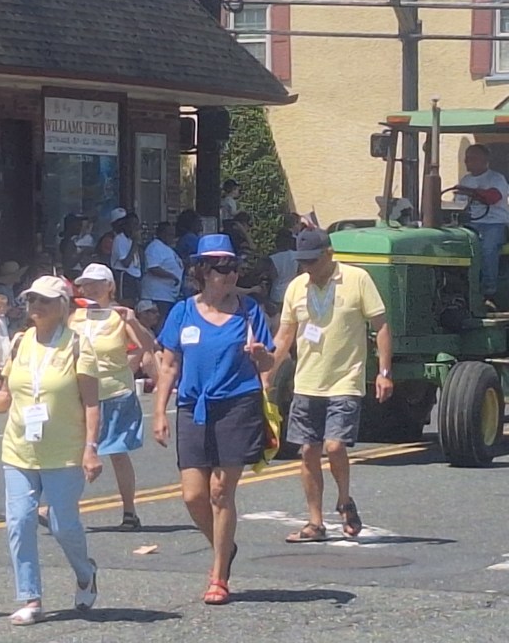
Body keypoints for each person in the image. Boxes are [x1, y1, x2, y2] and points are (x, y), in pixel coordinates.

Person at [0, 276, 101, 626]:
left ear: (62, 306)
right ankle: (31, 598)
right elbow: (7, 395)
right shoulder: (20, 342)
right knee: (19, 521)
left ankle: (85, 572)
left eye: (45, 300)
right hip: (19, 448)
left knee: (63, 526)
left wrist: (91, 448)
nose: (36, 306)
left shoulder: (77, 345)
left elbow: (92, 403)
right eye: (32, 299)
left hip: (64, 450)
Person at [153, 234, 274, 606]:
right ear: (203, 271)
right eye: (222, 268)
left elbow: (269, 362)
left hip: (237, 406)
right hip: (193, 407)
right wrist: (159, 412)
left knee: (221, 492)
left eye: (234, 267)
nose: (230, 274)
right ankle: (225, 545)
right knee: (193, 495)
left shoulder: (249, 311)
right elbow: (168, 366)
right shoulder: (182, 312)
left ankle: (219, 575)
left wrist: (260, 356)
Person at [269, 229, 392, 544]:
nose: (307, 267)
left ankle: (344, 500)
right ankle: (315, 522)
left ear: (329, 254)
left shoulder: (357, 279)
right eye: (302, 261)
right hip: (307, 382)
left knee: (334, 446)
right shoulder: (296, 287)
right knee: (308, 450)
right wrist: (268, 372)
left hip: (345, 380)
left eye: (312, 260)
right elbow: (285, 335)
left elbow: (381, 326)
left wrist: (383, 371)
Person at [71, 263, 155, 529]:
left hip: (114, 391)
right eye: (85, 284)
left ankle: (129, 512)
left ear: (109, 286)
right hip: (80, 393)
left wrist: (132, 321)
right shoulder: (75, 317)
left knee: (117, 453)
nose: (90, 288)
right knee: (73, 452)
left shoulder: (119, 315)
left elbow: (148, 345)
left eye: (96, 283)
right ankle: (63, 509)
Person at [455, 144, 509, 305]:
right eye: (466, 158)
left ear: (485, 160)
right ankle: (460, 289)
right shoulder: (466, 180)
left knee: (487, 249)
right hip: (470, 223)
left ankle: (488, 293)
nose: (467, 161)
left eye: (472, 158)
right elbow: (459, 204)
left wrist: (472, 192)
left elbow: (493, 197)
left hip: (494, 224)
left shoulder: (496, 179)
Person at [142, 221, 185, 319]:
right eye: (169, 234)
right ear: (161, 233)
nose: (172, 237)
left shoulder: (167, 248)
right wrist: (172, 276)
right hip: (157, 296)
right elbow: (153, 268)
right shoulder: (155, 247)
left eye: (173, 234)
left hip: (168, 295)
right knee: (159, 322)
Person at [109, 208, 142, 306]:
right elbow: (125, 263)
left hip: (135, 276)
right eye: (133, 224)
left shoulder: (130, 240)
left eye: (137, 224)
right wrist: (135, 242)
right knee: (126, 303)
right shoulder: (120, 239)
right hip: (124, 277)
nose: (136, 228)